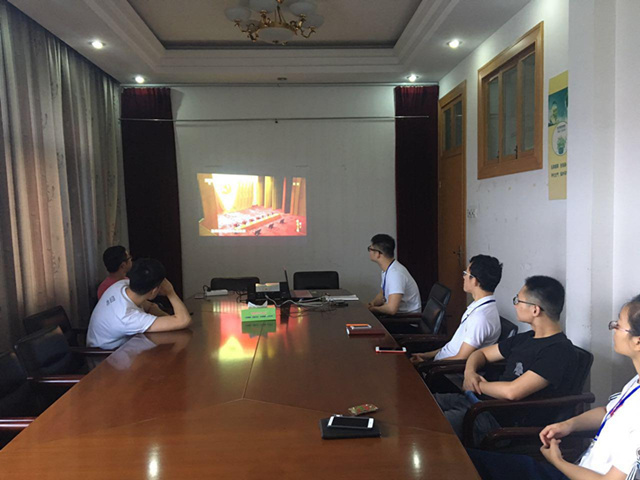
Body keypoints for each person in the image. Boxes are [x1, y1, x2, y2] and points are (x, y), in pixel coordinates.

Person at [468, 295, 640, 480]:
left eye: (618, 325)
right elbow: (608, 411)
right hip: (578, 468)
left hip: (571, 473)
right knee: (473, 461)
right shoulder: (635, 382)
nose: (613, 329)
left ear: (637, 342)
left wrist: (558, 461)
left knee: (473, 464)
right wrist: (567, 425)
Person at [435, 275, 577, 445]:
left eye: (518, 300)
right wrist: (470, 372)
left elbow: (513, 392)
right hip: (478, 404)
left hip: (499, 422)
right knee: (422, 404)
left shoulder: (558, 351)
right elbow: (480, 354)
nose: (515, 305)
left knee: (429, 426)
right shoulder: (526, 338)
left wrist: (475, 384)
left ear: (535, 310)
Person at [410, 254, 502, 364]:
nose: (463, 277)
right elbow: (453, 346)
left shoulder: (480, 318)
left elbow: (461, 358)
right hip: (439, 362)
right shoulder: (480, 307)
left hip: (445, 370)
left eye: (465, 274)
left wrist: (424, 364)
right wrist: (426, 355)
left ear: (475, 281)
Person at [87, 258, 192, 349]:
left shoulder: (120, 285)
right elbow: (184, 321)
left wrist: (171, 321)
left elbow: (150, 307)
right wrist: (170, 292)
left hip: (124, 350)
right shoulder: (127, 316)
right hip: (104, 359)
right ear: (154, 291)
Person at [367, 234, 421, 315]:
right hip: (397, 316)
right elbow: (382, 294)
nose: (369, 252)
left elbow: (391, 309)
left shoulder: (395, 274)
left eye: (370, 249)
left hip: (406, 319)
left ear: (378, 253)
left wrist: (371, 309)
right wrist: (371, 304)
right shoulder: (388, 269)